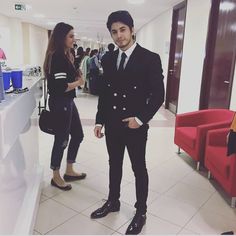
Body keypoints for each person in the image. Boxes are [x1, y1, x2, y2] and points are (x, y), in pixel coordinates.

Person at [90, 11, 165, 235]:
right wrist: (99, 121)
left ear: (132, 30)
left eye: (123, 30)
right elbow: (105, 93)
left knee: (138, 168)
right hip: (112, 124)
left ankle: (140, 211)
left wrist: (140, 119)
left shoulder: (150, 58)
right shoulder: (108, 58)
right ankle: (113, 202)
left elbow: (158, 95)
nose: (119, 35)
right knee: (114, 164)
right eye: (114, 32)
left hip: (135, 126)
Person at [43, 22, 86, 191]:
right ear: (61, 38)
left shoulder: (66, 54)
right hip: (60, 102)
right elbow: (60, 86)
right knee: (61, 139)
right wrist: (79, 82)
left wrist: (75, 70)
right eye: (70, 36)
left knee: (78, 134)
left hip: (67, 102)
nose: (73, 39)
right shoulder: (57, 57)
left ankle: (69, 170)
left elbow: (64, 77)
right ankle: (56, 175)